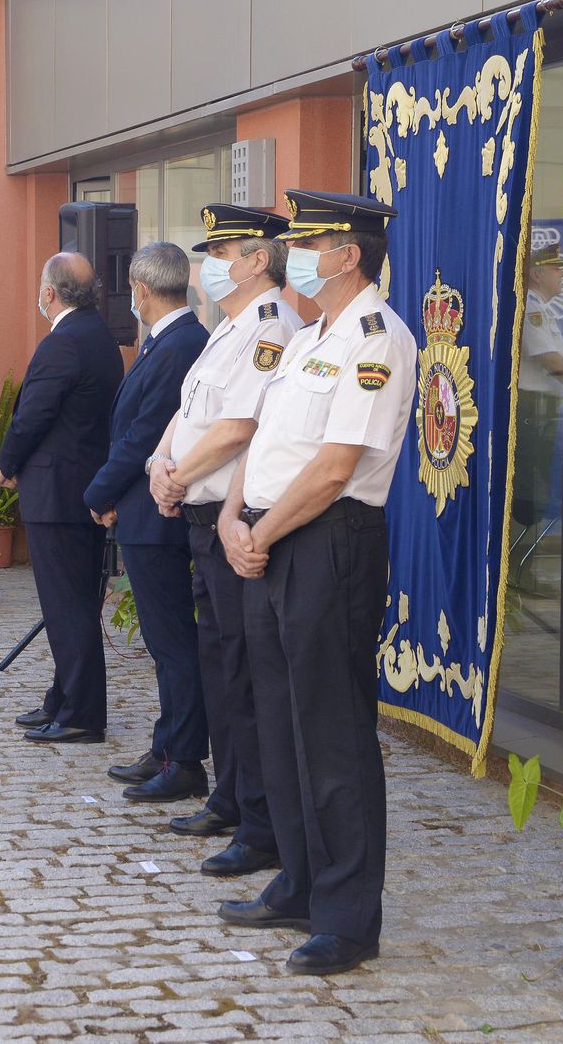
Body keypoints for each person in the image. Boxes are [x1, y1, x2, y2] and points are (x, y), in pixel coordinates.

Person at [214, 189, 415, 977]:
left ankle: (346, 916)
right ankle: (298, 880)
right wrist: (235, 515)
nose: (296, 253)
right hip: (267, 534)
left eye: (310, 241)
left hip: (326, 543)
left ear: (349, 253)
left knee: (332, 734)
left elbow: (335, 468)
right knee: (279, 720)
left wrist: (258, 533)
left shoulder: (376, 338)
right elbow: (265, 437)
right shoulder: (310, 335)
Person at [148, 203, 300, 879]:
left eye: (224, 251)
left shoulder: (272, 328)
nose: (212, 264)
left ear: (257, 261)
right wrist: (161, 462)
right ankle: (231, 795)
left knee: (243, 676)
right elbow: (190, 409)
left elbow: (239, 428)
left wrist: (179, 473)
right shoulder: (227, 328)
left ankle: (260, 820)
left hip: (232, 520)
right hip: (201, 517)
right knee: (220, 669)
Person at [81, 243, 209, 798]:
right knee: (163, 641)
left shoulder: (182, 343)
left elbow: (142, 436)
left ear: (140, 288)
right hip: (142, 508)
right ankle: (166, 744)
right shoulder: (166, 341)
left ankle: (183, 760)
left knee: (173, 640)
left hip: (158, 515)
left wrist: (100, 489)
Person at [0, 252, 123, 743]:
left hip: (58, 492)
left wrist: (6, 464)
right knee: (71, 604)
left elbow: (32, 415)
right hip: (84, 487)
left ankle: (81, 715)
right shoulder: (101, 337)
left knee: (68, 606)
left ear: (50, 293)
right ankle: (63, 697)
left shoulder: (64, 341)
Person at [513, 244, 563, 534]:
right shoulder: (531, 309)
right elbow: (551, 360)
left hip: (543, 409)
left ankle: (526, 553)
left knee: (539, 483)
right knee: (530, 486)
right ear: (536, 274)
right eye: (555, 268)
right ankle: (522, 553)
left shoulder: (542, 310)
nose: (561, 273)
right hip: (532, 409)